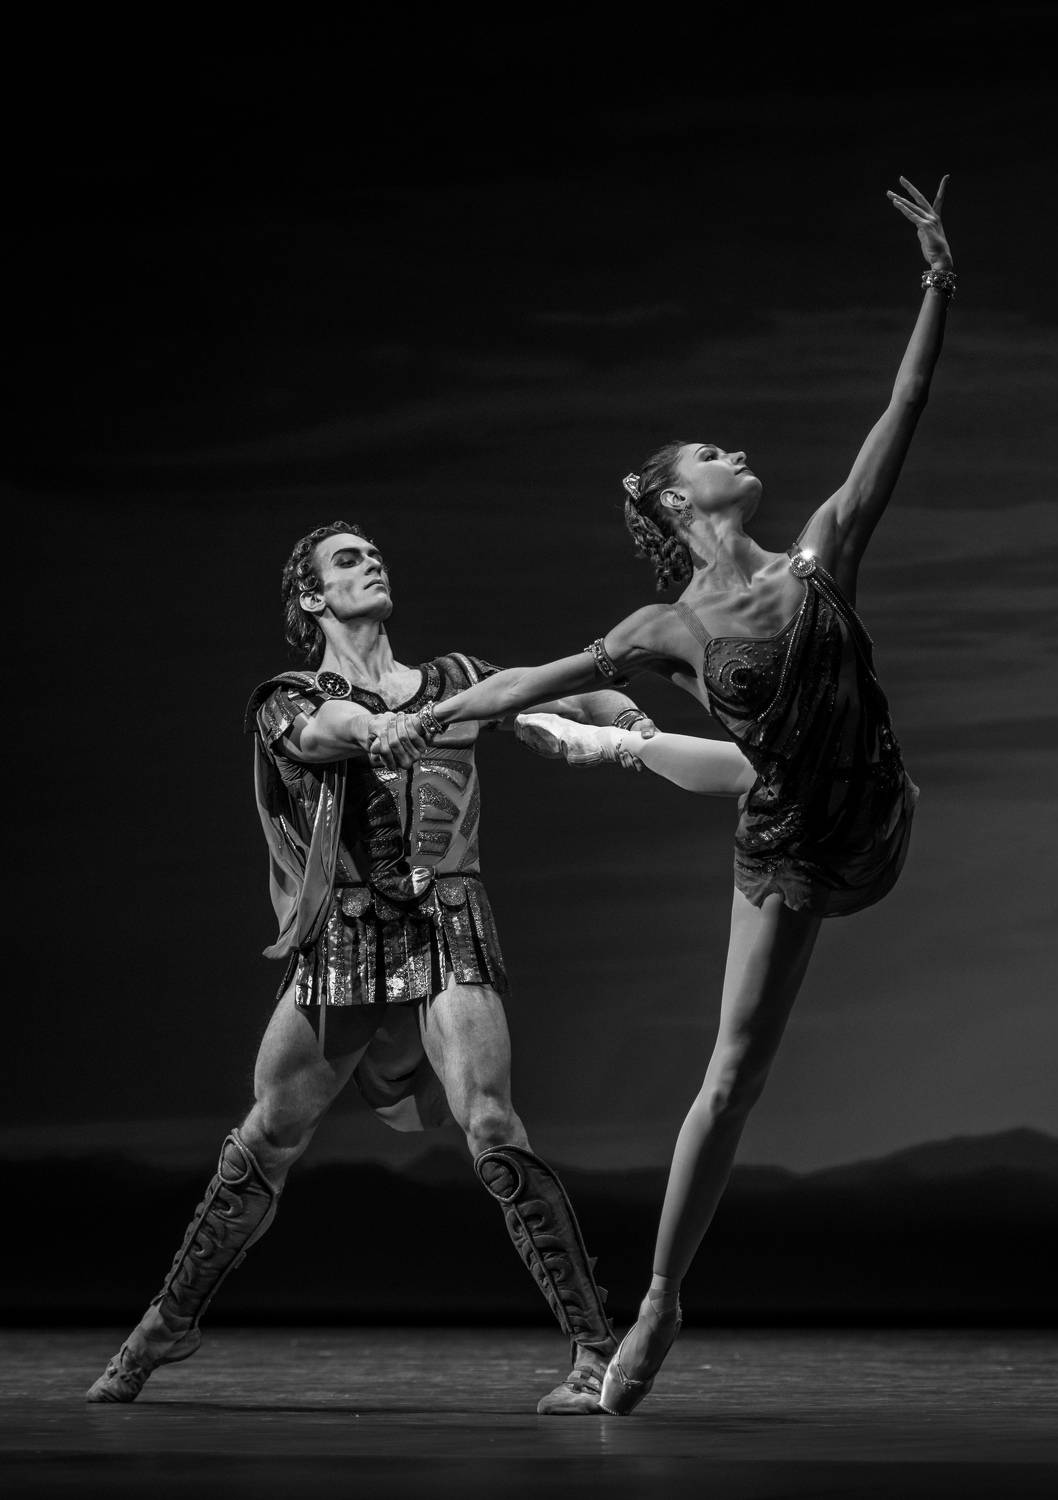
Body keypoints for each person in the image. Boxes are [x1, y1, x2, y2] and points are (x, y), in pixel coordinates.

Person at [367, 175, 954, 1414]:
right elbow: (532, 672)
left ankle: (620, 749)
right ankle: (658, 1303)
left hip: (875, 812)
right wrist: (427, 716)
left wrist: (935, 283)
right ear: (680, 500)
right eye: (709, 451)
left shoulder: (822, 553)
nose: (734, 451)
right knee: (731, 1076)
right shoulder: (665, 624)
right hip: (786, 839)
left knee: (740, 763)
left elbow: (902, 404)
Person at [86, 519, 665, 1416]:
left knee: (492, 1122)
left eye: (373, 554)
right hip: (347, 933)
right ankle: (165, 1325)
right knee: (267, 1136)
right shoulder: (287, 697)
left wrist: (628, 725)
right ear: (311, 596)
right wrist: (376, 726)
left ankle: (594, 1350)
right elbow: (327, 730)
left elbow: (549, 691)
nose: (371, 564)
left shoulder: (455, 681)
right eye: (347, 560)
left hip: (446, 921)